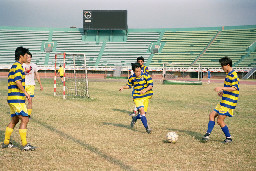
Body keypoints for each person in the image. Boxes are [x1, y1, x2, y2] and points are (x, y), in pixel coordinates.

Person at [2, 46, 36, 151]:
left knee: (15, 120)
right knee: (25, 119)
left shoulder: (14, 66)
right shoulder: (18, 66)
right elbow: (17, 81)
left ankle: (6, 142)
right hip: (16, 98)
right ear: (21, 56)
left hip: (12, 98)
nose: (27, 57)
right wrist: (25, 93)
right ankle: (25, 145)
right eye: (26, 55)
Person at [202, 56, 239, 143]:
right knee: (211, 115)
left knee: (219, 120)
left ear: (228, 65)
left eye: (222, 66)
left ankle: (228, 138)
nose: (222, 68)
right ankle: (207, 135)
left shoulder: (233, 75)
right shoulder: (228, 74)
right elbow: (229, 88)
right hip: (224, 100)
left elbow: (234, 88)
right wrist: (223, 92)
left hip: (229, 102)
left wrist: (221, 88)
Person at [119, 63, 153, 134]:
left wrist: (144, 90)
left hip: (145, 96)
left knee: (142, 115)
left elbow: (150, 85)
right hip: (137, 97)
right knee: (142, 111)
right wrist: (123, 87)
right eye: (136, 71)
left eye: (139, 71)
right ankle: (147, 128)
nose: (138, 73)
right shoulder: (132, 77)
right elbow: (129, 86)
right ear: (134, 71)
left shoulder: (146, 76)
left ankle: (134, 118)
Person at [23, 52, 43, 117]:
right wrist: (25, 71)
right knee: (22, 100)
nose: (28, 58)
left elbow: (37, 75)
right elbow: (19, 74)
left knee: (30, 100)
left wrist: (40, 84)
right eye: (27, 57)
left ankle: (28, 115)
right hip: (23, 85)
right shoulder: (22, 65)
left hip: (31, 85)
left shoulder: (34, 65)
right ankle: (22, 113)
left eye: (30, 57)